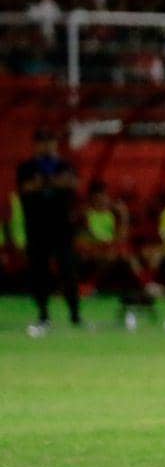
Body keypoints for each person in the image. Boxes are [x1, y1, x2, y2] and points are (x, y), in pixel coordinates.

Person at [16, 128, 82, 330]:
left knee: (68, 270)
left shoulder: (65, 164)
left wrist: (43, 183)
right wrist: (54, 183)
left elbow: (73, 184)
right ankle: (43, 314)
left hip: (61, 228)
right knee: (39, 272)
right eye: (43, 142)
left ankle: (75, 315)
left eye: (51, 141)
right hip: (37, 228)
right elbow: (25, 188)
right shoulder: (26, 167)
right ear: (36, 145)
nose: (47, 146)